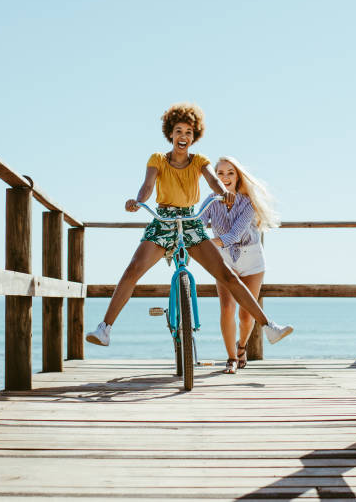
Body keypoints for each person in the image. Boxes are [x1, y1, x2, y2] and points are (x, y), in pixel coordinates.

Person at [86, 103, 293, 351]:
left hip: (190, 222)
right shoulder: (158, 159)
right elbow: (148, 186)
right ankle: (105, 328)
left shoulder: (199, 161)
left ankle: (269, 326)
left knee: (226, 275)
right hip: (163, 221)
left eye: (188, 133)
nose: (183, 137)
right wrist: (139, 201)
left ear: (194, 137)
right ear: (170, 134)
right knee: (133, 269)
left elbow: (213, 180)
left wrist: (223, 193)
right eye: (179, 131)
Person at [201, 156, 284, 374]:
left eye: (230, 173)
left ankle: (242, 346)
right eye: (220, 173)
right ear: (214, 177)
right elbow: (198, 225)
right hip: (225, 259)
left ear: (237, 176)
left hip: (251, 259)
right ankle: (231, 358)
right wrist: (192, 235)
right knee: (227, 308)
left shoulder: (248, 202)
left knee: (246, 315)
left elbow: (234, 235)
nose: (225, 177)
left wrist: (205, 243)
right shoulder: (210, 200)